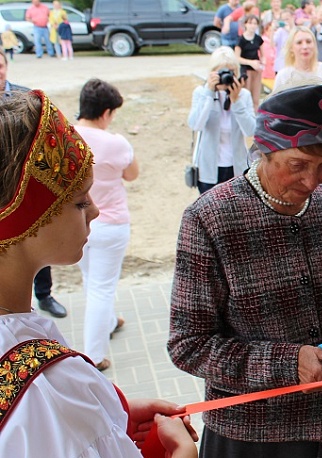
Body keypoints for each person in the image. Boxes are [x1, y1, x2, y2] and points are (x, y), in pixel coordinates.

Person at [168, 83, 322, 457]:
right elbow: (188, 344)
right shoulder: (211, 218)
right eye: (298, 165)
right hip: (251, 434)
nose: (312, 181)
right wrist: (289, 364)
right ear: (265, 152)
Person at [0, 89, 198, 458]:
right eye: (79, 201)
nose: (94, 211)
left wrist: (108, 412)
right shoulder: (48, 389)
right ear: (23, 220)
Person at [74, 79, 138, 372]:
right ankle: (94, 355)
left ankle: (109, 321)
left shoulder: (65, 136)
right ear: (106, 112)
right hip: (110, 222)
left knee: (91, 278)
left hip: (75, 220)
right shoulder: (116, 143)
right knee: (102, 287)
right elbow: (132, 174)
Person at [0, 49, 67, 318]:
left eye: (1, 65)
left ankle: (44, 296)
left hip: (23, 188)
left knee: (35, 243)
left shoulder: (25, 98)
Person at [188, 47, 255, 194]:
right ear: (212, 73)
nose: (225, 77)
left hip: (237, 168)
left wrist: (236, 101)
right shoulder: (201, 93)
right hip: (208, 170)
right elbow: (196, 125)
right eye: (221, 72)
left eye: (230, 72)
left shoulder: (243, 95)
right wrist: (209, 93)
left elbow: (251, 131)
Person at [274, 26, 322, 120]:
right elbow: (275, 110)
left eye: (309, 42)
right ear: (291, 48)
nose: (305, 46)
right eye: (299, 43)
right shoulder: (283, 76)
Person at [235, 14, 266, 107]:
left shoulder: (258, 39)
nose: (252, 25)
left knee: (255, 97)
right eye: (250, 23)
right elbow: (237, 58)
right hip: (246, 70)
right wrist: (250, 62)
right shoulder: (241, 40)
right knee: (246, 95)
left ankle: (255, 116)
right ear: (245, 24)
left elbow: (263, 54)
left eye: (255, 23)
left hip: (256, 70)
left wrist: (263, 63)